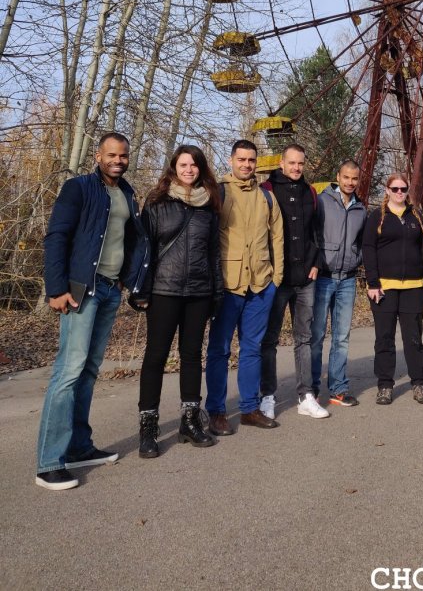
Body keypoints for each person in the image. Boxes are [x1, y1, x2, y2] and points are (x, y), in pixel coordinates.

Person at [36, 131, 150, 491]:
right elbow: (57, 236)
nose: (119, 160)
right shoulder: (79, 188)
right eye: (112, 155)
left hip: (108, 290)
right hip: (80, 290)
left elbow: (130, 240)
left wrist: (127, 281)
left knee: (88, 371)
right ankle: (49, 463)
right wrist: (56, 288)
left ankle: (79, 447)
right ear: (98, 156)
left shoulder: (127, 193)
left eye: (124, 155)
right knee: (68, 372)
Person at [135, 145, 222, 457]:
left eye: (194, 165)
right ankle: (148, 427)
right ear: (173, 167)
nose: (189, 170)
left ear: (200, 169)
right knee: (156, 357)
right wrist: (141, 291)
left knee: (191, 356)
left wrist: (216, 291)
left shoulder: (210, 204)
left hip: (199, 291)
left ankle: (189, 421)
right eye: (183, 164)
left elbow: (214, 253)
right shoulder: (157, 202)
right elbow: (143, 250)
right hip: (163, 290)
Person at [204, 139, 284, 434]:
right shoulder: (218, 193)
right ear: (231, 160)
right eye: (242, 160)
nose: (247, 165)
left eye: (252, 160)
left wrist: (275, 279)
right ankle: (216, 411)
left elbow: (277, 238)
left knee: (252, 349)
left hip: (261, 284)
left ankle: (250, 408)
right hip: (229, 284)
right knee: (219, 350)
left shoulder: (267, 197)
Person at [259, 144, 328, 419]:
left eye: (301, 163)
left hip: (305, 279)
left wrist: (315, 263)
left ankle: (306, 396)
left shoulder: (311, 193)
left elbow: (316, 232)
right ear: (281, 162)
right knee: (270, 340)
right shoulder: (267, 189)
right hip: (277, 280)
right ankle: (267, 396)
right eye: (292, 163)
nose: (297, 168)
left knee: (305, 338)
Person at [362, 172, 423, 406]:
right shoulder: (377, 217)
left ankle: (419, 383)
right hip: (384, 288)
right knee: (384, 338)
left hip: (413, 287)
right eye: (395, 189)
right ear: (387, 191)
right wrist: (372, 283)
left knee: (413, 338)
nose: (400, 193)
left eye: (403, 189)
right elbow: (368, 249)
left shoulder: (417, 217)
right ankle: (385, 385)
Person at [310, 159, 367, 407]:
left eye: (354, 178)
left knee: (341, 337)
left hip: (348, 280)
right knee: (317, 335)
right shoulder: (322, 202)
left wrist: (357, 258)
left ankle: (338, 388)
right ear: (338, 176)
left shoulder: (361, 209)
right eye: (346, 177)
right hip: (323, 277)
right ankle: (310, 388)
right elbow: (312, 234)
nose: (350, 182)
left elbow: (363, 242)